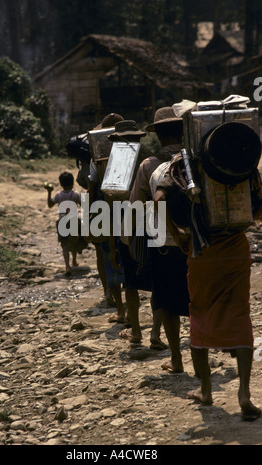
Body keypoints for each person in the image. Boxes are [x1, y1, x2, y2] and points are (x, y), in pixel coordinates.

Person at [153, 120, 262, 420]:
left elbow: (158, 200)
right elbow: (259, 206)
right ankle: (244, 393)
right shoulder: (243, 162)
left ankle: (206, 390)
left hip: (202, 252)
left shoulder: (183, 164)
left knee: (199, 314)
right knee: (240, 316)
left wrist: (178, 236)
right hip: (237, 252)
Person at [129, 107, 190, 369]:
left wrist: (131, 241)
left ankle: (176, 358)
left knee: (165, 300)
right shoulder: (194, 162)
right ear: (183, 132)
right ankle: (203, 360)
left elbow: (135, 207)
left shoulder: (149, 165)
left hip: (162, 243)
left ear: (158, 137)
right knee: (196, 297)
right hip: (195, 242)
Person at [106, 120, 154, 343]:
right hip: (155, 220)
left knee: (131, 283)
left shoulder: (119, 158)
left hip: (129, 223)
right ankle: (156, 332)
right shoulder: (150, 156)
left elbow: (112, 198)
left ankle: (136, 329)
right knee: (157, 279)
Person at [88, 113, 127, 323]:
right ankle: (128, 301)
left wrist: (90, 216)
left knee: (106, 252)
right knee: (129, 252)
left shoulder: (98, 156)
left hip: (106, 209)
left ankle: (114, 301)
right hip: (130, 206)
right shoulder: (134, 151)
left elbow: (92, 187)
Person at [45, 171, 87, 276]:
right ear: (73, 183)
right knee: (74, 241)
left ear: (61, 184)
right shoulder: (76, 194)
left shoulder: (58, 195)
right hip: (73, 221)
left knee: (65, 244)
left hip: (62, 221)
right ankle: (74, 260)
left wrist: (49, 192)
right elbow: (84, 206)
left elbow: (50, 204)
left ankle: (67, 266)